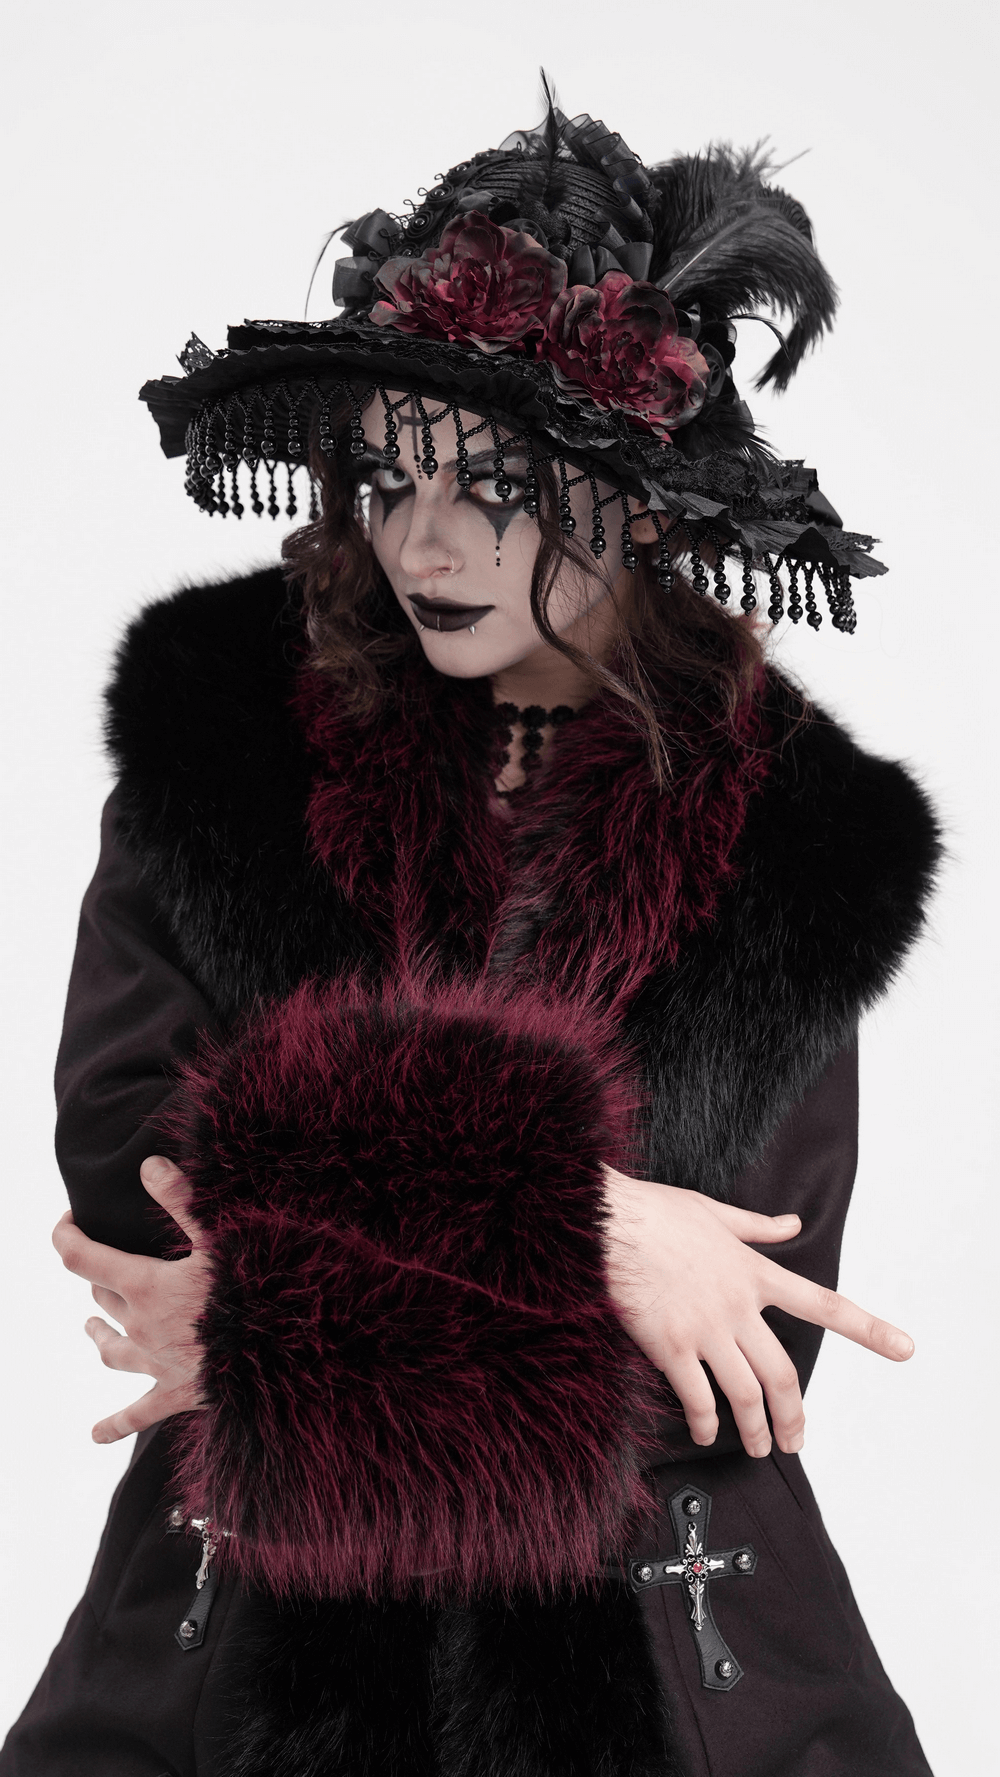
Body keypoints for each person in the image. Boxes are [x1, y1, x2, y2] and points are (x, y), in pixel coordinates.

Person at [2, 96, 939, 1777]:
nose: (422, 542)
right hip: (230, 1661)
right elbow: (125, 1165)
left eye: (492, 488)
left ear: (631, 494)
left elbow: (734, 1367)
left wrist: (267, 1307)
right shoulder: (220, 731)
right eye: (390, 475)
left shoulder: (810, 838)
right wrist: (589, 1224)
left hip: (668, 1678)